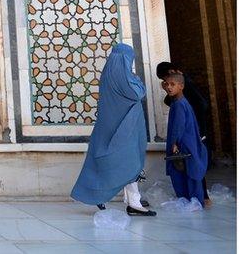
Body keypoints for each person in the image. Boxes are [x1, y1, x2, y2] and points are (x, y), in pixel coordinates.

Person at [71, 44, 155, 216]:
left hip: (110, 127)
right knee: (129, 163)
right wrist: (137, 80)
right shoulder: (123, 76)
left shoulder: (108, 74)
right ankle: (130, 202)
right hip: (123, 131)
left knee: (117, 163)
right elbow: (138, 93)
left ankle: (129, 201)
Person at [156, 61, 211, 205]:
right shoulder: (179, 99)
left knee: (191, 167)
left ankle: (199, 199)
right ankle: (197, 199)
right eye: (165, 83)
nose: (167, 85)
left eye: (170, 82)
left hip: (191, 134)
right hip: (190, 134)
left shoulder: (183, 95)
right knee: (191, 165)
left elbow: (199, 106)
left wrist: (177, 140)